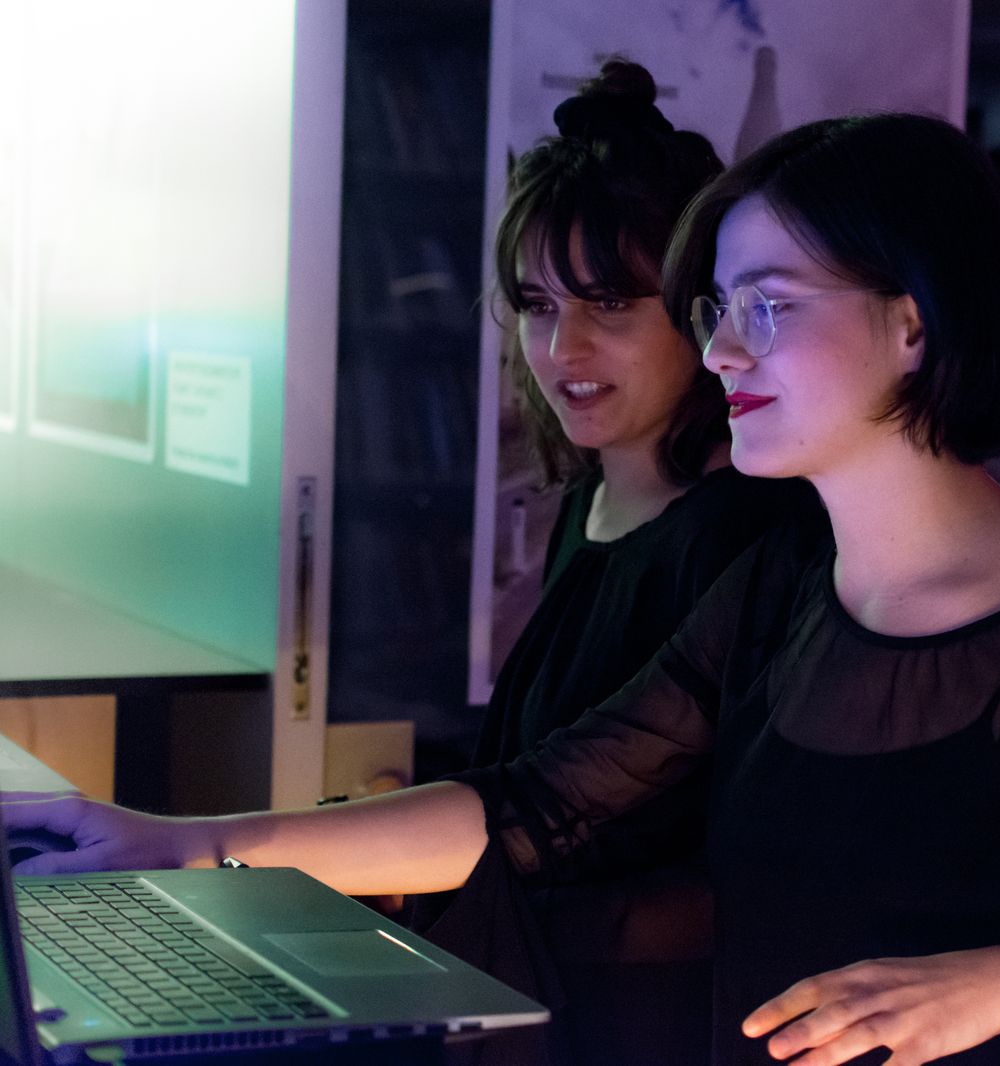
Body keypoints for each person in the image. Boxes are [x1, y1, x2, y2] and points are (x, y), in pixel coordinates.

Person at [7, 112, 1000, 1064]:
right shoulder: (780, 589)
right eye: (715, 309)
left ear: (913, 321)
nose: (719, 352)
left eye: (768, 305)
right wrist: (187, 843)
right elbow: (540, 807)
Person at [5, 60, 815, 1066]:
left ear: (700, 313)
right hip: (525, 992)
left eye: (610, 303)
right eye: (535, 303)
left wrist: (244, 854)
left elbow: (593, 832)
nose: (563, 347)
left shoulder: (747, 537)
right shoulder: (591, 503)